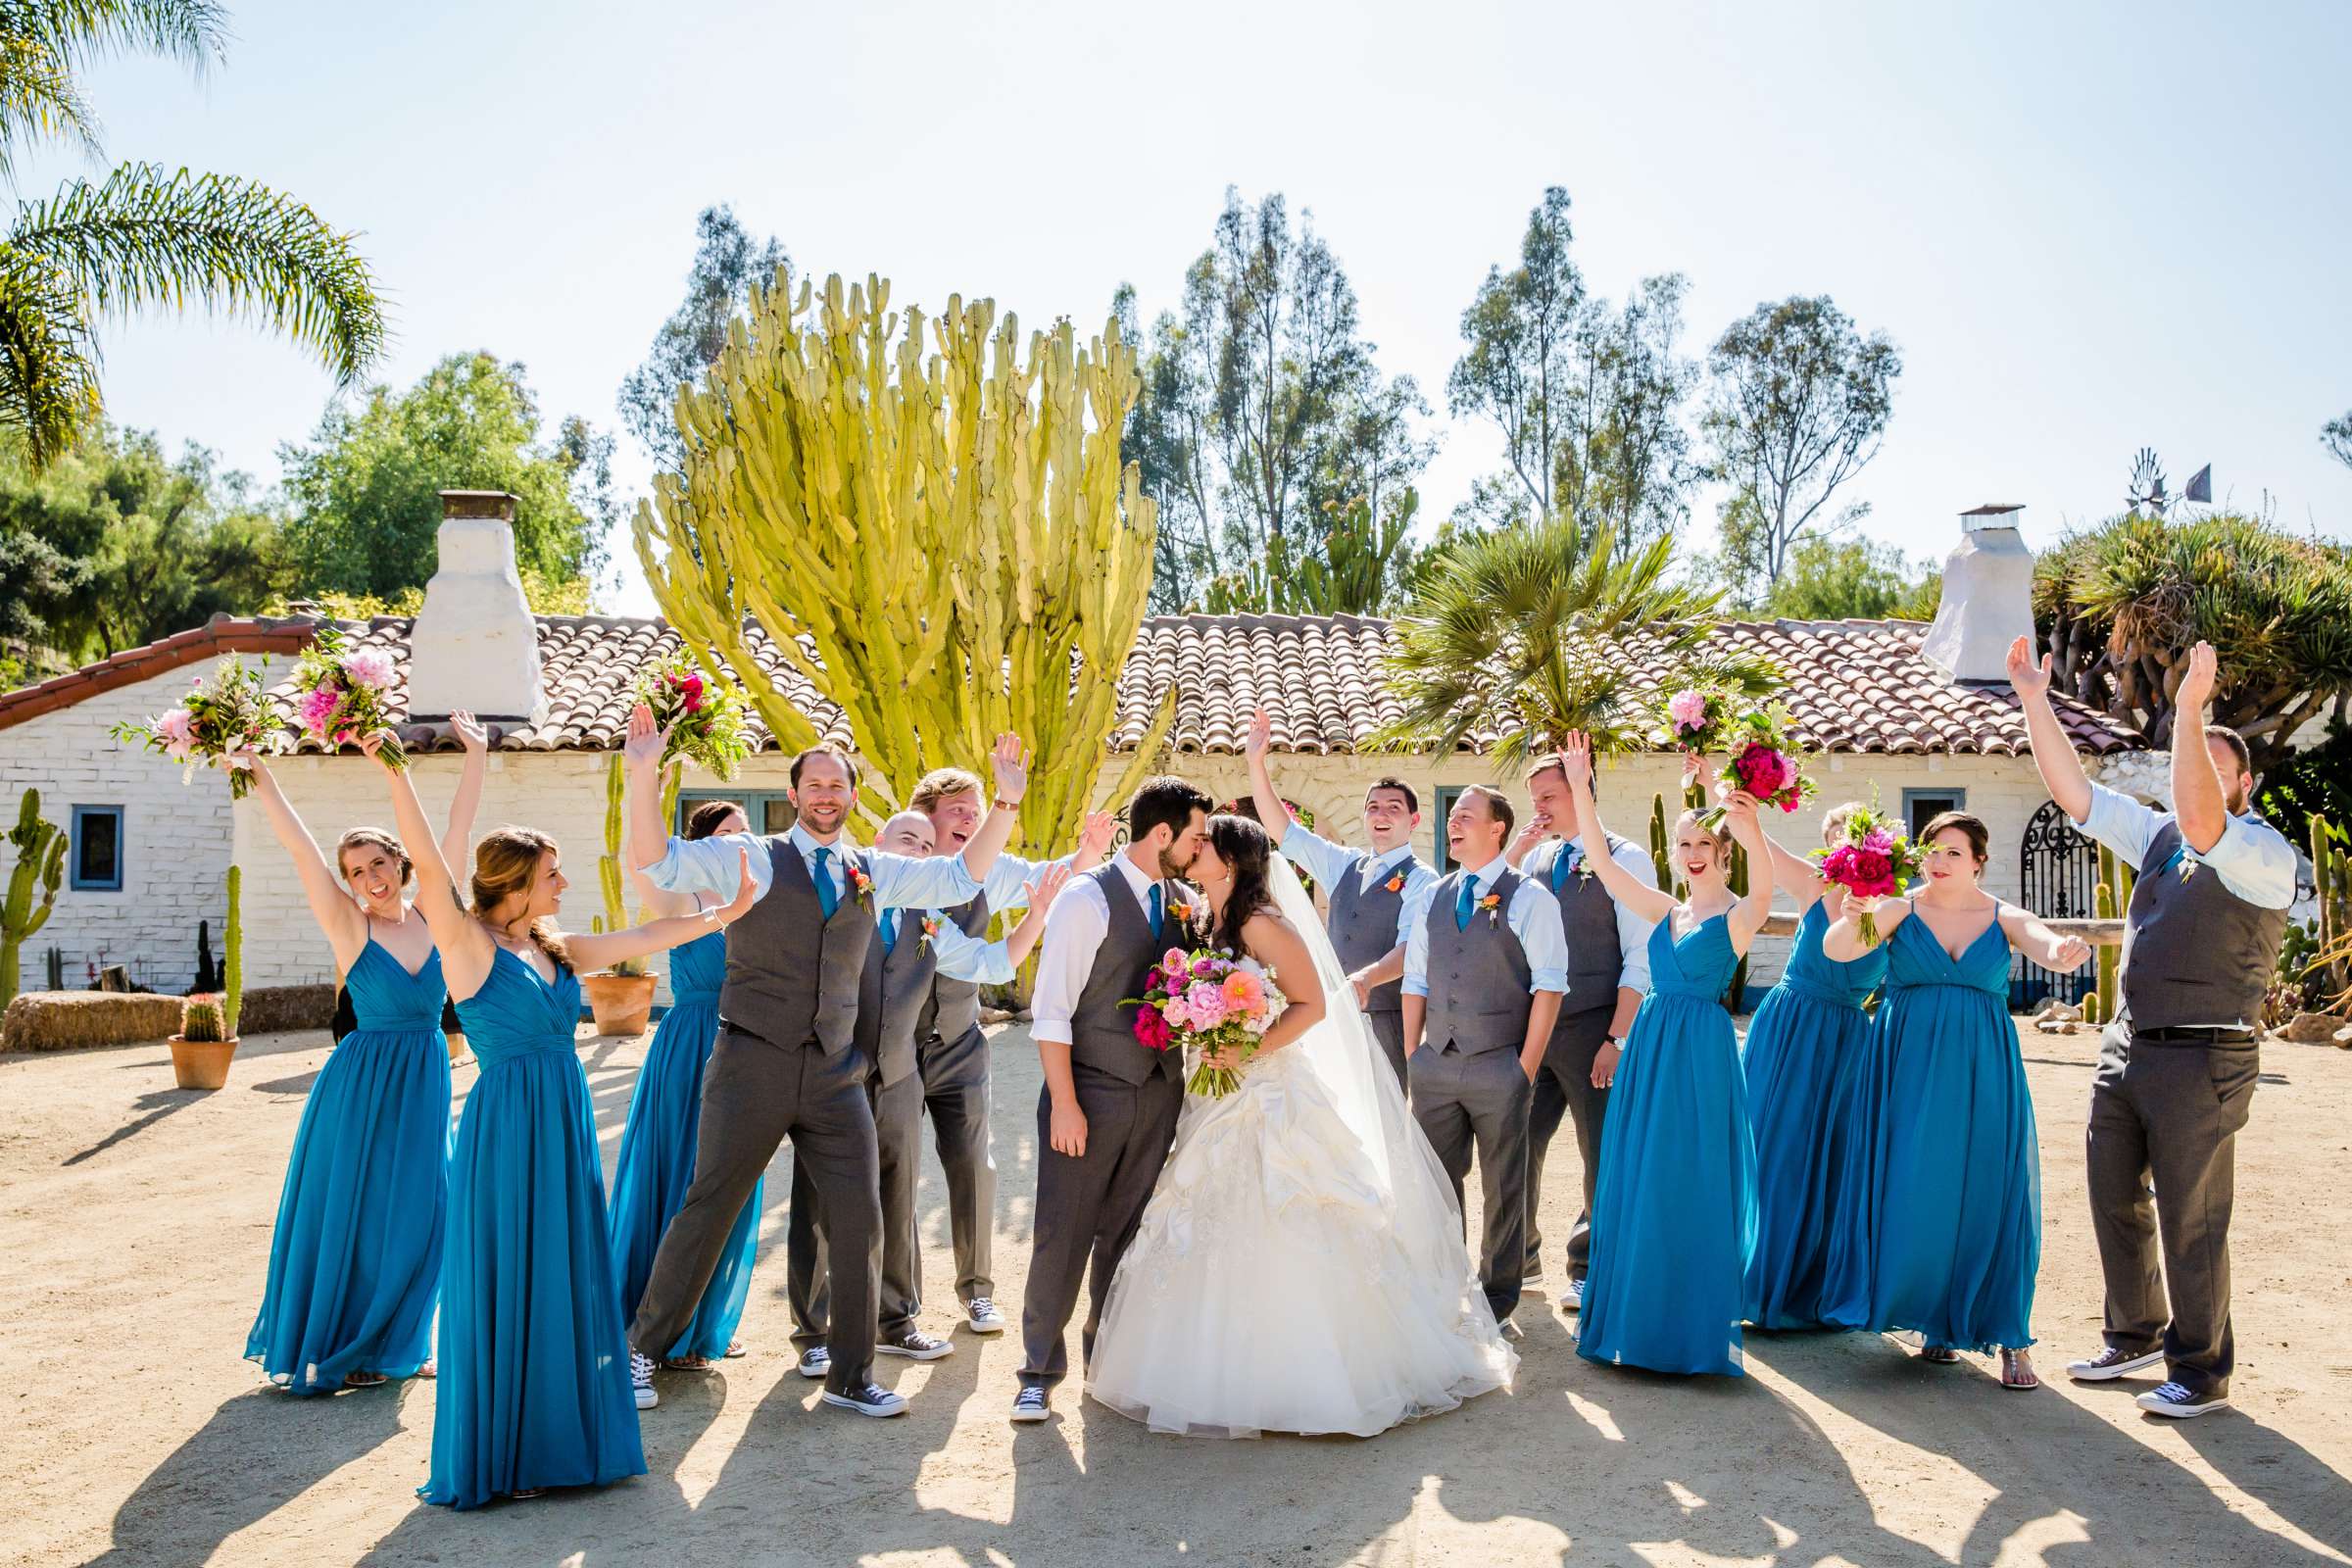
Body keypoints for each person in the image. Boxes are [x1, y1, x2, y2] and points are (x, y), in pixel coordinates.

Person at [363, 730, 756, 1509]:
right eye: (552, 873)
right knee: (513, 1268)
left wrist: (730, 912)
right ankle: (503, 1452)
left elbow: (647, 937)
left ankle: (561, 1442)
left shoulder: (555, 945)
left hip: (564, 1123)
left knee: (566, 1268)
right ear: (515, 881)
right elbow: (433, 861)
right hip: (508, 1126)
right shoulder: (466, 945)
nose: (565, 881)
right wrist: (403, 773)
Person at [617, 708, 1033, 1419]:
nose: (826, 795)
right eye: (814, 784)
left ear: (850, 794)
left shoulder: (874, 870)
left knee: (863, 1216)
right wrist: (642, 772)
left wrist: (1004, 804)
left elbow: (961, 876)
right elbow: (659, 860)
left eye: (838, 785)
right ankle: (641, 1351)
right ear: (795, 793)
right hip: (752, 1063)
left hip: (837, 1074)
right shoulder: (748, 855)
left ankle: (850, 1375)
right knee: (709, 1205)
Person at [1087, 814, 1517, 1437]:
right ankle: (1209, 1369)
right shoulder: (1207, 917)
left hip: (1269, 1090)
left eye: (1206, 844)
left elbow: (1311, 1004)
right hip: (1217, 1095)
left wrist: (1247, 1049)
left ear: (1231, 862)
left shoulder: (1264, 922)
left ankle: (1314, 1377)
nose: (1195, 847)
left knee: (1289, 1209)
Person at [2010, 637, 2294, 1418]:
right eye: (2187, 760)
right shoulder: (2160, 837)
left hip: (2206, 1054)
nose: (2190, 778)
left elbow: (2204, 818)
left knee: (2191, 1216)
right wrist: (2035, 696)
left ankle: (2202, 1372)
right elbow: (2077, 794)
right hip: (2129, 1046)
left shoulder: (2264, 852)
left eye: (2209, 763)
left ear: (2242, 783)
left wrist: (2193, 708)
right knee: (2112, 1194)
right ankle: (2134, 1332)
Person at [236, 710, 488, 1393]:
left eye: (379, 863)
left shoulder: (438, 912)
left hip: (425, 1073)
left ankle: (401, 1339)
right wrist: (257, 769)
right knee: (353, 1208)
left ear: (401, 864)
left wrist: (475, 758)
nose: (371, 878)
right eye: (357, 871)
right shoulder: (350, 927)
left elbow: (456, 835)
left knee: (423, 1209)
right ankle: (352, 1343)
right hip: (360, 1082)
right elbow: (298, 848)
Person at [787, 808, 1068, 1376]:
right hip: (831, 1078)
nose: (917, 851)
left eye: (925, 844)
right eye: (905, 840)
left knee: (897, 1196)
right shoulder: (839, 903)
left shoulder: (930, 920)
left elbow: (993, 962)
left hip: (897, 1075)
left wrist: (1036, 916)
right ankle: (814, 1332)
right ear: (877, 846)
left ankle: (896, 1322)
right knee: (818, 1205)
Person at [1826, 810, 2093, 1392]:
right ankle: (1934, 1323)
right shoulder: (1897, 907)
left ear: (1977, 860)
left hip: (1981, 1071)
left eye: (1953, 852)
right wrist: (1853, 915)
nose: (1940, 861)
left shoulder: (2003, 915)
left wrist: (2063, 951)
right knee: (1914, 1186)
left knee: (1987, 1191)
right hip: (1904, 1067)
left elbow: (2043, 944)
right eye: (1932, 851)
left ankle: (2011, 1336)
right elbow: (1840, 951)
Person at [1554, 735, 1769, 1377]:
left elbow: (1761, 889)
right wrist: (1580, 784)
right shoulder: (1665, 910)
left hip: (1700, 1057)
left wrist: (1744, 822)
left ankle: (1688, 1332)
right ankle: (1633, 1324)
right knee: (1641, 1176)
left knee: (1692, 1179)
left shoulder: (1738, 914)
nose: (1693, 854)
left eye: (1704, 844)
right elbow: (1602, 860)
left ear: (1723, 852)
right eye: (1684, 845)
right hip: (1650, 1052)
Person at [1009, 776, 1213, 1425]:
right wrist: (1065, 1104)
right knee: (1062, 1234)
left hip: (1158, 1094)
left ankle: (1110, 1362)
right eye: (1194, 836)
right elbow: (1050, 1014)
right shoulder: (1084, 901)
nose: (1199, 848)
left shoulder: (1185, 901)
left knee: (1129, 1235)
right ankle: (1038, 1371)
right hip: (1090, 1093)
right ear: (1162, 835)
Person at [906, 770, 1113, 1337]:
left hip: (961, 1044)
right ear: (926, 816)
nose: (971, 819)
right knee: (892, 1174)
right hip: (894, 1049)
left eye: (977, 810)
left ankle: (977, 1292)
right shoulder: (900, 869)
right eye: (958, 810)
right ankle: (898, 1303)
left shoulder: (993, 871)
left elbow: (1050, 880)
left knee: (975, 1169)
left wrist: (1089, 852)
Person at [1399, 784, 1568, 1337]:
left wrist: (1524, 1068)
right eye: (1454, 817)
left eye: (1467, 817)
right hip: (1435, 1064)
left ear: (1498, 828)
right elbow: (1416, 979)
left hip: (1500, 1066)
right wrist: (1412, 1054)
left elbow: (1549, 987)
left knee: (1504, 1185)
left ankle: (1498, 1296)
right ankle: (1444, 1285)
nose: (1455, 825)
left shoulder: (1530, 898)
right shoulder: (1432, 896)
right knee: (1435, 1182)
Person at [607, 796, 759, 1373]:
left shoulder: (762, 899)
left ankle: (703, 1321)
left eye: (745, 832)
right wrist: (649, 772)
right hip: (692, 1042)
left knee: (730, 1180)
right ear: (696, 846)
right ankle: (651, 1318)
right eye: (725, 832)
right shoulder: (682, 898)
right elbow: (637, 861)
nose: (737, 841)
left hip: (751, 1042)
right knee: (679, 1172)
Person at [1504, 755, 1657, 1311]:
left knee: (1600, 1153)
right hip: (1536, 1028)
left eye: (1549, 795)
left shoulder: (1625, 857)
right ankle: (1518, 1257)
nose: (1538, 807)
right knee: (1516, 1140)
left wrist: (1617, 1039)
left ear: (1583, 791)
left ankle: (1589, 1267)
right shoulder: (1538, 858)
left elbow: (1641, 955)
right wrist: (1515, 854)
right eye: (1535, 796)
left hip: (1597, 1025)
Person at [1738, 798, 1888, 1331]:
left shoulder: (1894, 906)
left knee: (1833, 1158)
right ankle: (1752, 1280)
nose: (1844, 847)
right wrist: (1718, 782)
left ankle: (1813, 1288)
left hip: (1849, 1037)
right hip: (1791, 1027)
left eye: (1855, 837)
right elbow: (1755, 840)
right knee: (1774, 1148)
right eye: (1835, 836)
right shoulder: (1816, 885)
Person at [1243, 708, 1434, 1085]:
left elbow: (1412, 947)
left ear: (1413, 821)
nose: (1381, 815)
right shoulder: (1344, 863)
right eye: (1373, 807)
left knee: (1384, 1117)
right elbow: (1287, 832)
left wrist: (1367, 978)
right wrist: (1255, 763)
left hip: (1387, 1016)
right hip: (1333, 1012)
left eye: (1394, 809)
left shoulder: (1421, 879)